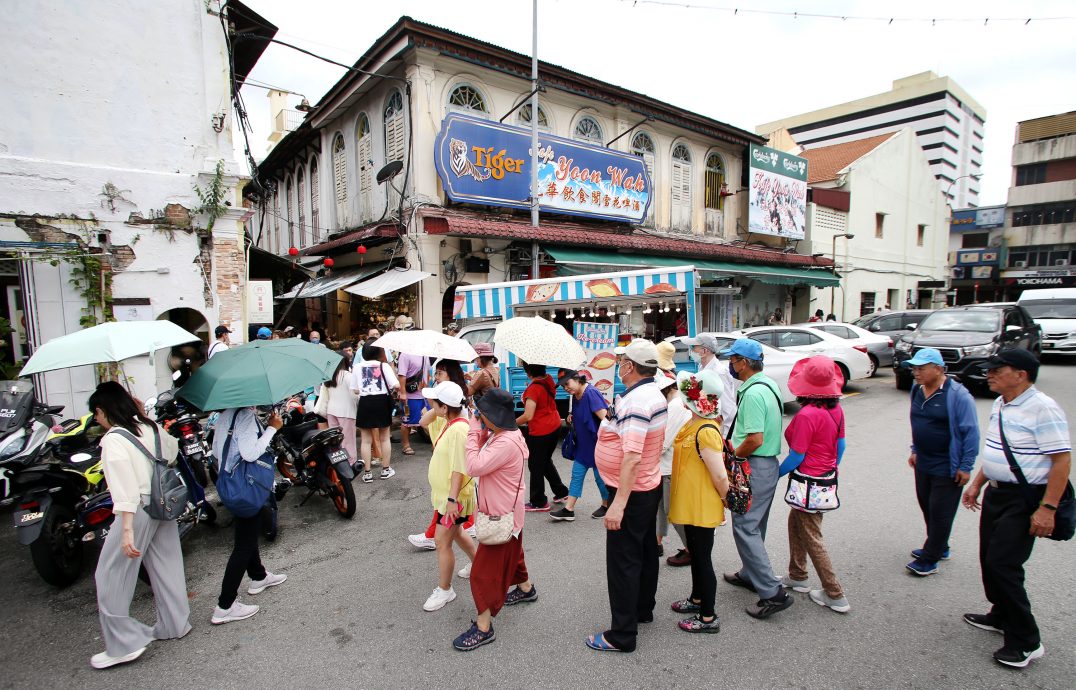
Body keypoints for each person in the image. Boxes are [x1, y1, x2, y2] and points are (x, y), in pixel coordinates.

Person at [961, 349, 1071, 669]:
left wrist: (1047, 508)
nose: (989, 375)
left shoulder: (1043, 408)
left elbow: (1061, 460)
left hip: (1025, 499)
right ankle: (1001, 614)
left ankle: (1027, 640)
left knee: (1003, 564)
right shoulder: (1001, 403)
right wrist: (978, 483)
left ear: (1021, 374)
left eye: (997, 370)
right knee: (988, 558)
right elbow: (998, 450)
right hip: (997, 494)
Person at [87, 382, 191, 669]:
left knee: (110, 574)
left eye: (95, 415)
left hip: (136, 510)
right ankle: (174, 624)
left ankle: (123, 644)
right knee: (167, 565)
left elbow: (124, 491)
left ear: (101, 410)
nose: (96, 420)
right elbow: (170, 453)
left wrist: (127, 532)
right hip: (163, 502)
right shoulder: (149, 426)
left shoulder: (114, 439)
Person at [586, 339, 667, 653]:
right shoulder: (646, 393)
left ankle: (621, 635)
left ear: (630, 366)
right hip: (646, 486)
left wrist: (617, 505)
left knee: (623, 562)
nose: (619, 365)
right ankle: (642, 609)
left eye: (621, 361)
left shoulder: (637, 402)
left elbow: (631, 456)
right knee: (645, 551)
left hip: (631, 491)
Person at [453, 387, 536, 651]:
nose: (478, 416)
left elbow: (474, 466)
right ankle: (525, 588)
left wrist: (474, 431)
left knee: (481, 574)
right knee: (513, 555)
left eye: (481, 413)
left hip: (500, 517)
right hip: (510, 516)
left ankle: (483, 627)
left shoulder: (505, 441)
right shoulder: (508, 434)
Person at [719, 338, 793, 619]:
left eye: (734, 360)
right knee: (756, 524)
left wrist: (734, 457)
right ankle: (751, 574)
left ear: (745, 363)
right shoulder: (768, 384)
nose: (731, 366)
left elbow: (754, 439)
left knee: (745, 527)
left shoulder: (751, 394)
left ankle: (772, 592)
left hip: (754, 465)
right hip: (767, 466)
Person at [778, 356, 850, 613]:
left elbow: (796, 456)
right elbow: (840, 446)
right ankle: (797, 575)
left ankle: (835, 592)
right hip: (825, 479)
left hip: (807, 481)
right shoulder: (836, 409)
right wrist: (829, 467)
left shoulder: (807, 414)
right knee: (796, 523)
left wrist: (774, 474)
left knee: (812, 536)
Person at [902, 348, 980, 576]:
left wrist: (966, 466)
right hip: (924, 461)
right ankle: (940, 546)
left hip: (948, 464)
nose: (915, 373)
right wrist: (915, 449)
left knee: (940, 512)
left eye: (921, 368)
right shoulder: (917, 389)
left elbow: (970, 432)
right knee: (927, 505)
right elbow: (918, 421)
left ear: (938, 369)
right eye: (914, 368)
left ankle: (930, 559)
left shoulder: (958, 395)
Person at [211, 406, 288, 625]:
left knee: (247, 531)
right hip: (246, 486)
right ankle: (225, 606)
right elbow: (250, 453)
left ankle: (258, 576)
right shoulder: (244, 416)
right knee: (243, 545)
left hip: (231, 483)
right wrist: (272, 429)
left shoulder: (225, 416)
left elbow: (217, 452)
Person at [668, 370, 729, 633]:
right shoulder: (694, 423)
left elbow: (719, 474)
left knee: (703, 558)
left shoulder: (705, 430)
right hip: (692, 502)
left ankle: (708, 616)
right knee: (696, 553)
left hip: (702, 505)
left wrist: (726, 500)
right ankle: (696, 599)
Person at [418, 381, 477, 612]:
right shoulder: (448, 423)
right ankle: (478, 564)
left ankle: (445, 589)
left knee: (442, 542)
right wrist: (441, 405)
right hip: (449, 498)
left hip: (454, 500)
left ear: (445, 408)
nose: (430, 405)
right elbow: (423, 422)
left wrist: (452, 500)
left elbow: (458, 469)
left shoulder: (458, 429)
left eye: (435, 402)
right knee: (459, 534)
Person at [550, 369, 610, 522]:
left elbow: (606, 420)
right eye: (563, 386)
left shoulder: (591, 393)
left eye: (567, 384)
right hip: (583, 445)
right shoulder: (576, 395)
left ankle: (606, 504)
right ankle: (568, 509)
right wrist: (572, 417)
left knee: (600, 479)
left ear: (577, 379)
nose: (566, 388)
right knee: (576, 476)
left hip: (597, 445)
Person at [517, 361, 569, 512]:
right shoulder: (548, 379)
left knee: (536, 465)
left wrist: (511, 423)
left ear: (528, 372)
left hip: (541, 431)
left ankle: (538, 501)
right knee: (545, 461)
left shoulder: (533, 389)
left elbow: (528, 415)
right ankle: (561, 492)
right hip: (554, 425)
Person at [656, 366, 693, 564]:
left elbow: (663, 443)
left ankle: (691, 549)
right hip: (667, 466)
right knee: (661, 507)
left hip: (671, 467)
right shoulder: (677, 403)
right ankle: (657, 542)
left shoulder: (675, 406)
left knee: (674, 511)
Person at [350, 340, 398, 482]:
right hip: (381, 402)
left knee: (365, 440)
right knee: (384, 437)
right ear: (379, 352)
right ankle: (385, 470)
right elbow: (395, 384)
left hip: (365, 402)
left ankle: (367, 473)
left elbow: (354, 389)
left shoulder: (357, 367)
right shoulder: (384, 366)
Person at [314, 357, 359, 471]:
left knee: (335, 441)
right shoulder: (348, 376)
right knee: (348, 440)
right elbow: (355, 395)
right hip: (346, 412)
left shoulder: (329, 377)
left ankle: (338, 464)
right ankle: (351, 464)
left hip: (331, 411)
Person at [395, 315, 427, 456]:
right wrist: (402, 393)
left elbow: (427, 372)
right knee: (407, 421)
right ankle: (406, 445)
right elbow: (402, 375)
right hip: (409, 395)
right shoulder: (405, 355)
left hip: (423, 394)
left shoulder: (425, 354)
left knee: (428, 419)